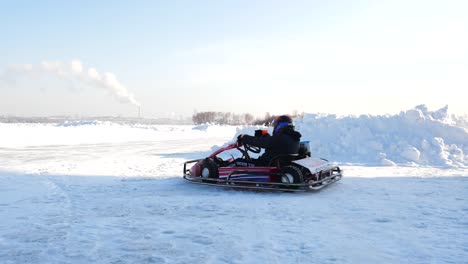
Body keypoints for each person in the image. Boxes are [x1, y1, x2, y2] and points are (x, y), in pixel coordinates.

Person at [230, 115, 302, 167]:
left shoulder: (280, 137)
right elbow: (273, 142)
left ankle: (219, 170)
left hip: (265, 165)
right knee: (247, 161)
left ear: (280, 126)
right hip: (277, 164)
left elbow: (261, 142)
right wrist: (265, 135)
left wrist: (244, 138)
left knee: (238, 162)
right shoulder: (293, 137)